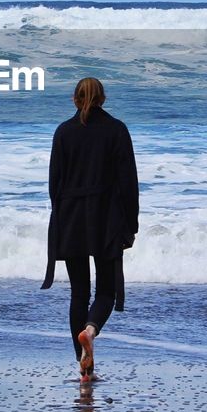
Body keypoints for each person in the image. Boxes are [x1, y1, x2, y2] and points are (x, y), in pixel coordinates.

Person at [41, 77, 139, 382]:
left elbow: (54, 184)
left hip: (71, 217)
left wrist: (60, 219)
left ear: (74, 99)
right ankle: (91, 331)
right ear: (103, 99)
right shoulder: (117, 130)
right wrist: (131, 224)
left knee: (78, 292)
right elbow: (128, 184)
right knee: (106, 290)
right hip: (106, 218)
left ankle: (82, 363)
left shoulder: (63, 132)